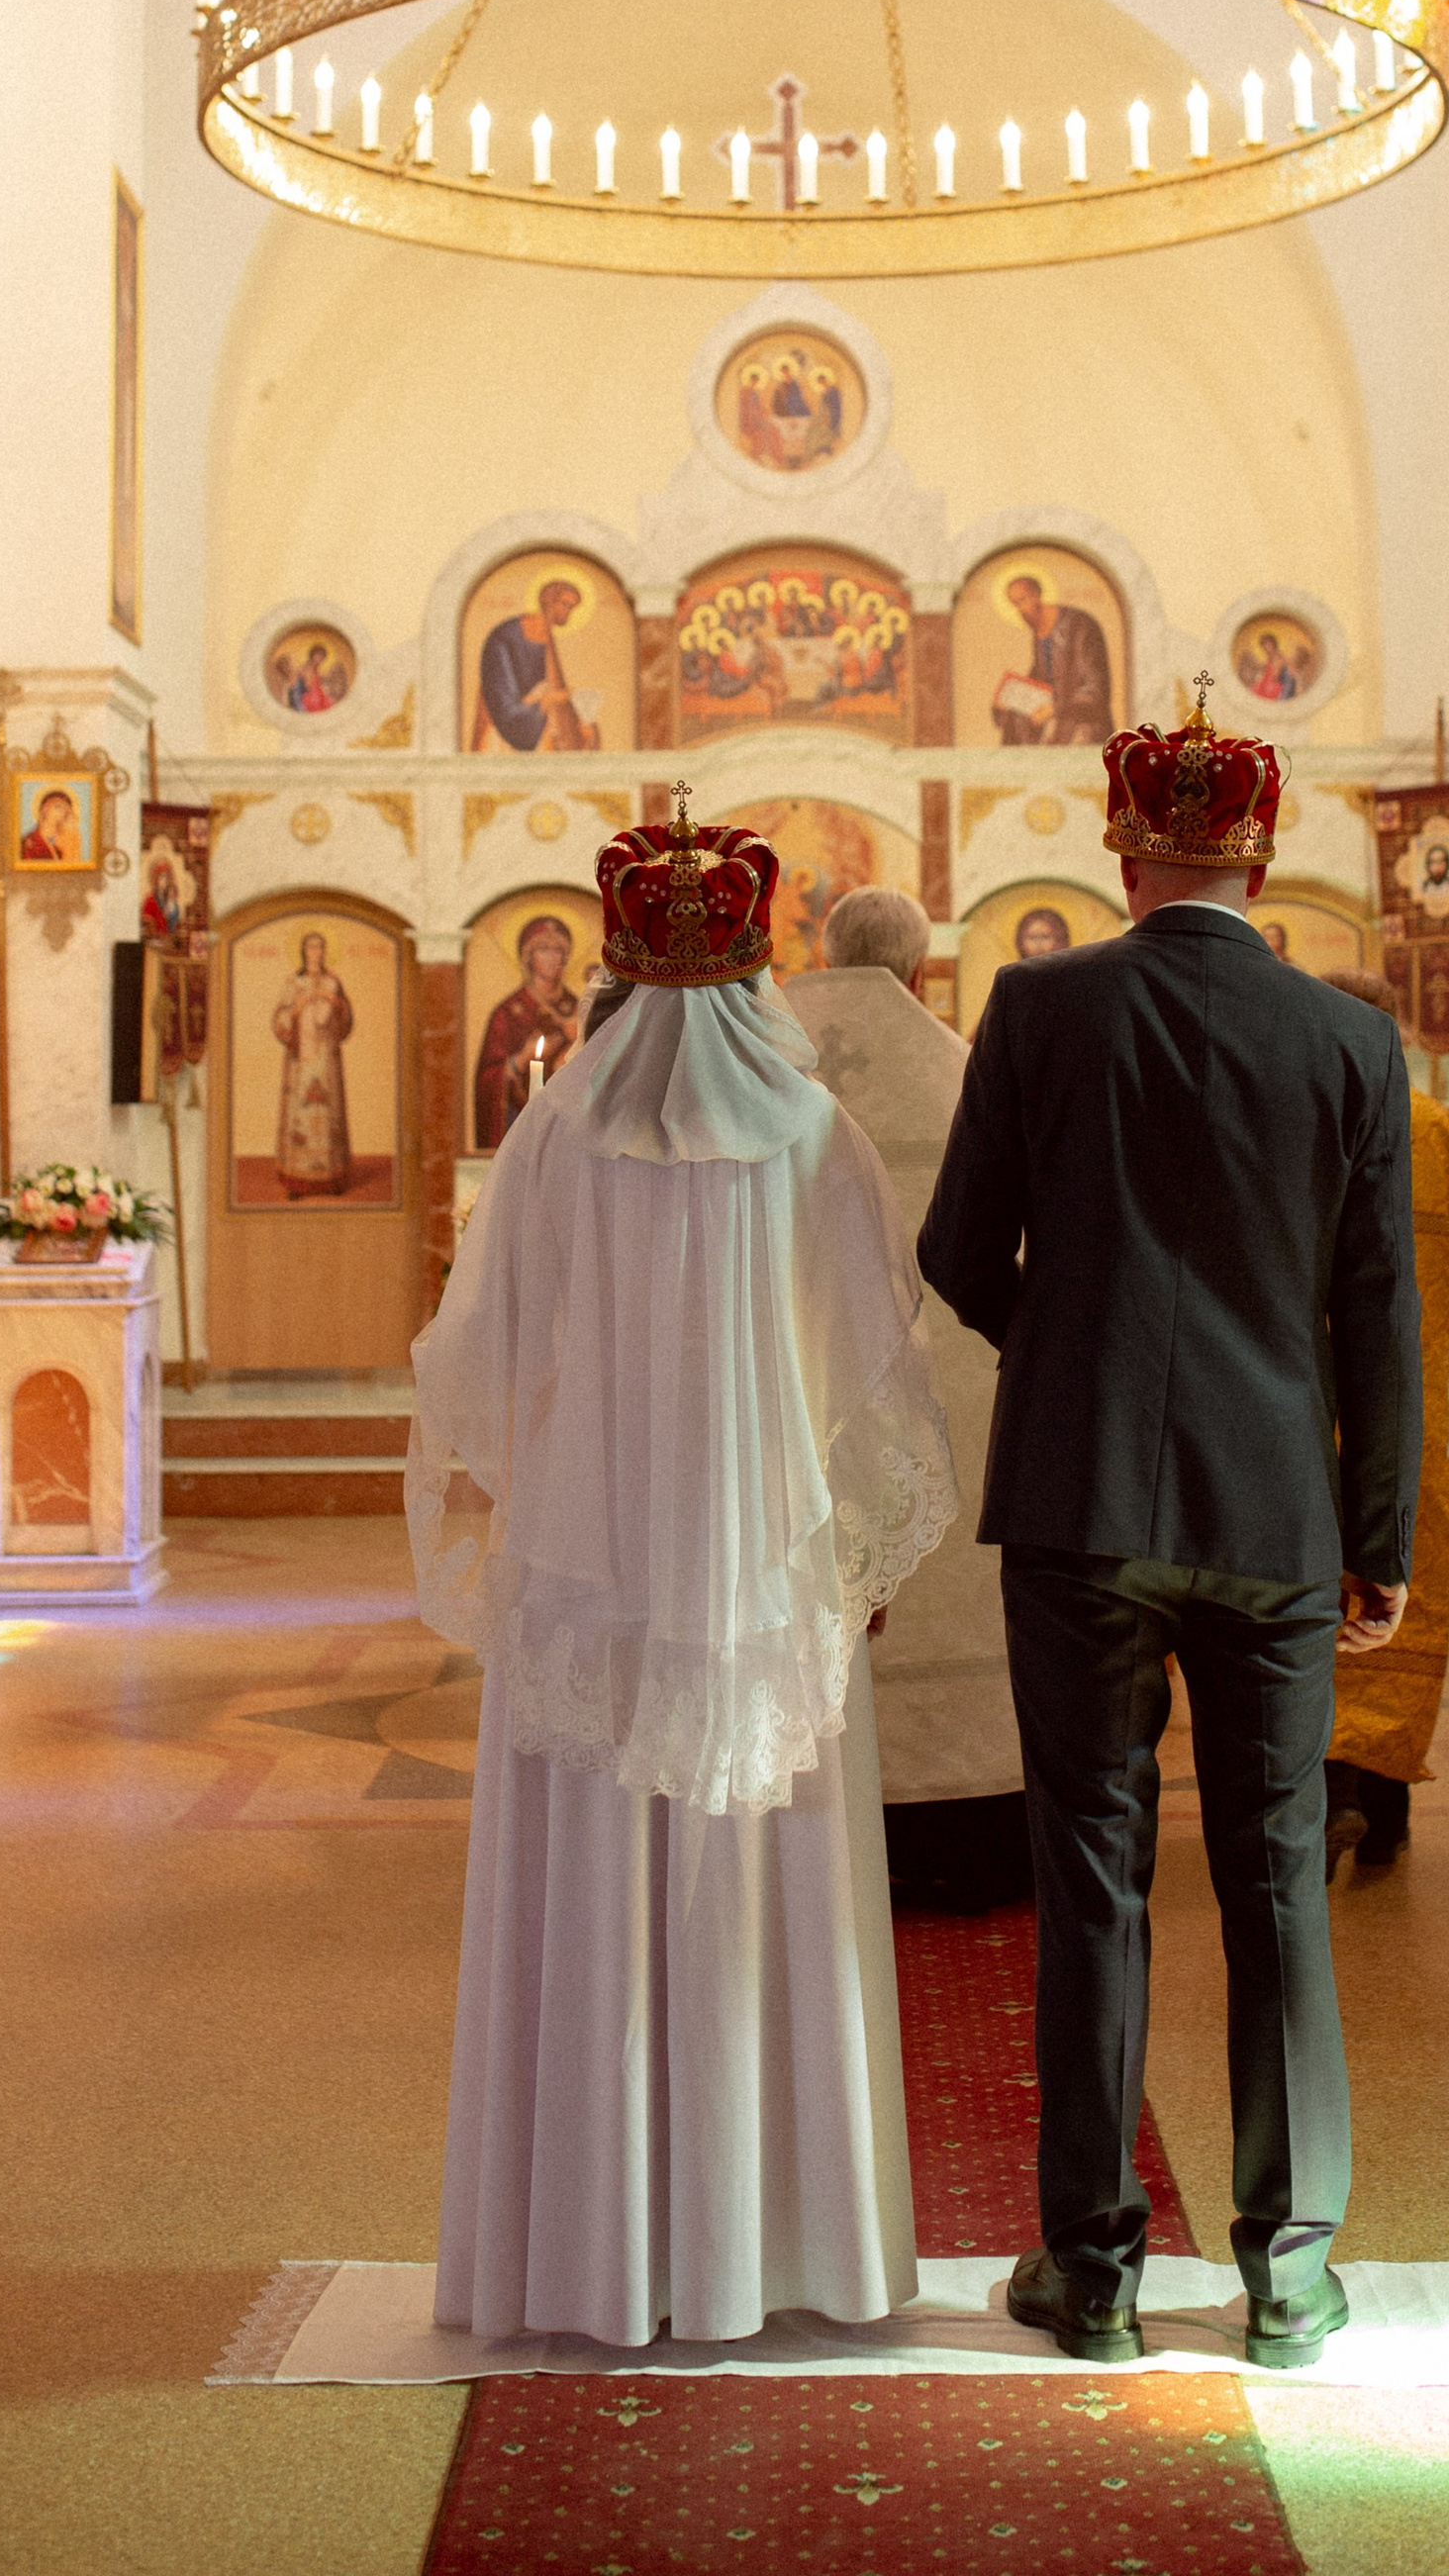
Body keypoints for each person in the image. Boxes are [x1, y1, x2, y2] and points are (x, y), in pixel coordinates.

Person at [918, 684, 1419, 2373]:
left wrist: (1065, 1361)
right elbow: (1377, 1309)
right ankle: (1288, 2273)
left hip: (1080, 1500)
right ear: (1262, 852)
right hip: (1278, 1508)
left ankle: (1095, 2271)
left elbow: (954, 1251)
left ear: (1122, 846)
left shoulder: (1041, 1008)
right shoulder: (1349, 1039)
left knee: (1091, 1872)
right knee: (1277, 1872)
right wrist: (1380, 1528)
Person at [411, 798, 956, 2344]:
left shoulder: (556, 1131)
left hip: (588, 1575)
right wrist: (856, 1548)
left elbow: (484, 1362)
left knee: (590, 1883)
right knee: (765, 1889)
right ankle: (787, 2250)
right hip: (765, 1574)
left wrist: (560, 1485)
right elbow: (877, 1365)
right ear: (749, 980)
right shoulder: (809, 1134)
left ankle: (580, 2254)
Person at [786, 884, 1027, 1908]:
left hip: (800, 1391)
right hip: (951, 1390)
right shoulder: (962, 1074)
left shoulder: (766, 1063)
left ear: (821, 950)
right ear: (924, 968)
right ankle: (966, 1831)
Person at [1319, 972, 1449, 1875]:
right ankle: (1383, 1803)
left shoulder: (1292, 1122)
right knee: (1401, 1571)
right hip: (1406, 1417)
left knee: (1307, 1588)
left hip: (1303, 1412)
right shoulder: (1443, 1133)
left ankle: (1326, 1788)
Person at [472, 911, 582, 1145]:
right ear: (528, 957)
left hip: (568, 1124)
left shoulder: (580, 1008)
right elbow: (487, 1079)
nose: (553, 958)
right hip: (521, 1125)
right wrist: (522, 1059)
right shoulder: (508, 1012)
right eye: (544, 949)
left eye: (558, 950)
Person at [473, 574, 599, 752]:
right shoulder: (504, 637)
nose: (568, 612)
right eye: (564, 604)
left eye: (571, 607)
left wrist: (579, 725)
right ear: (548, 602)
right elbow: (503, 705)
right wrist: (549, 699)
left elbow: (552, 691)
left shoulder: (548, 641)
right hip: (502, 739)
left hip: (537, 731)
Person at [273, 927, 354, 1193]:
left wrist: (336, 1003)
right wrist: (299, 1006)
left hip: (327, 1060)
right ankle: (298, 1180)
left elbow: (345, 1021)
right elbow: (279, 1020)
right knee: (302, 1113)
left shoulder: (333, 982)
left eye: (319, 947)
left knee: (328, 1114)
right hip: (302, 1062)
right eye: (311, 947)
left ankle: (332, 1177)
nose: (315, 952)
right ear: (303, 952)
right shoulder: (293, 983)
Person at [992, 571, 1114, 747]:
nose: (1019, 610)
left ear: (1036, 595)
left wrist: (1055, 709)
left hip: (1084, 727)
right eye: (1014, 605)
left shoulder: (1079, 626)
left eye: (1021, 601)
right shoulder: (1040, 634)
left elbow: (1096, 691)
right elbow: (1038, 683)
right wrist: (1008, 698)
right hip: (1055, 726)